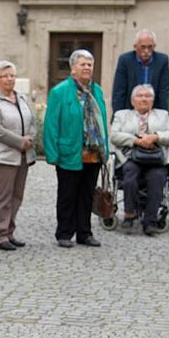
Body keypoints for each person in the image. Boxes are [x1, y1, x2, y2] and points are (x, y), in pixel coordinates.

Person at [43, 49, 108, 248]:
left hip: (93, 153)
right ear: (73, 68)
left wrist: (105, 149)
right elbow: (51, 124)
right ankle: (64, 233)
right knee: (67, 195)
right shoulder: (59, 92)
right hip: (70, 151)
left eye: (90, 64)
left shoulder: (97, 91)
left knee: (87, 195)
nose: (87, 67)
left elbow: (102, 122)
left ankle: (84, 233)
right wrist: (52, 153)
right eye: (83, 64)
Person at [0, 60, 36, 251]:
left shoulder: (21, 97)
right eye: (5, 76)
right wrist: (20, 142)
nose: (9, 79)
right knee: (3, 198)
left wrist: (30, 138)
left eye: (12, 75)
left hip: (23, 156)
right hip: (3, 157)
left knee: (17, 196)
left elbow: (32, 120)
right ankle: (0, 236)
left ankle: (10, 232)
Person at [109, 84, 169, 237]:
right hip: (130, 157)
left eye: (148, 96)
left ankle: (150, 221)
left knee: (157, 177)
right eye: (140, 96)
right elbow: (114, 136)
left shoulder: (163, 115)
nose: (144, 99)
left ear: (153, 101)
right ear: (132, 101)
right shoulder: (121, 115)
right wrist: (136, 140)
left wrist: (155, 137)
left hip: (156, 159)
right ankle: (129, 214)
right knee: (130, 174)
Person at [111, 29, 169, 114]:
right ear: (135, 46)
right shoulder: (125, 60)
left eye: (150, 47)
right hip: (129, 111)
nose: (146, 51)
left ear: (154, 46)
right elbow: (119, 92)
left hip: (153, 111)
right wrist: (118, 115)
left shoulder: (162, 60)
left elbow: (163, 91)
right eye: (143, 47)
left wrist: (162, 115)